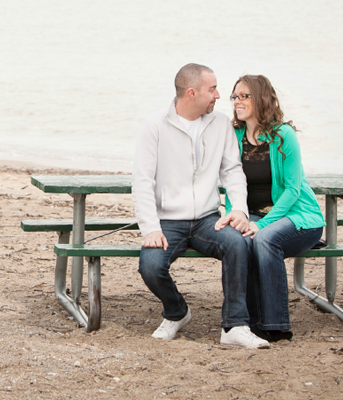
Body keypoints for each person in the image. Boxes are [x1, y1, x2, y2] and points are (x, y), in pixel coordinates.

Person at [132, 63, 269, 349]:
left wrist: (239, 210)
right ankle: (177, 312)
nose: (219, 95)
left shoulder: (220, 124)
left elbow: (232, 171)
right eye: (213, 89)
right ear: (192, 93)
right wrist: (150, 228)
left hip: (209, 219)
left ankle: (234, 325)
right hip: (168, 221)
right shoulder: (155, 126)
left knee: (238, 244)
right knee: (151, 266)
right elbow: (143, 182)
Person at [216, 75, 325, 342]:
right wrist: (235, 213)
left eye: (244, 96)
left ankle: (276, 324)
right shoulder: (235, 134)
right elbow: (232, 180)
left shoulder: (283, 135)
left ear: (261, 98)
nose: (237, 102)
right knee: (239, 241)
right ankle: (248, 322)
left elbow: (292, 190)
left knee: (263, 239)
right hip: (253, 214)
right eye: (235, 97)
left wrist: (260, 224)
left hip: (298, 216)